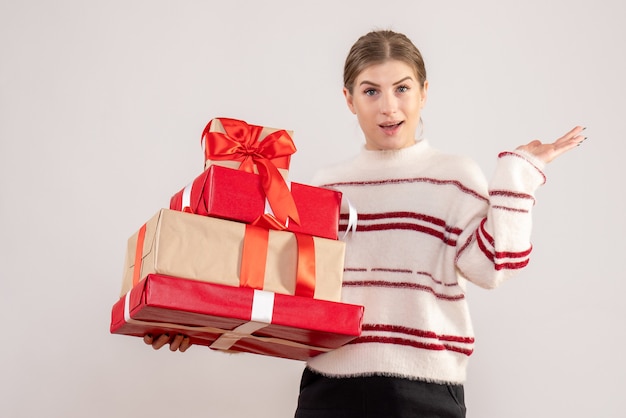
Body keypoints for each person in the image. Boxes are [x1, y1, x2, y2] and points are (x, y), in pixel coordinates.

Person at [145, 29, 586, 417]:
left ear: (424, 92)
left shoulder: (454, 177)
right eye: (371, 91)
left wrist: (519, 174)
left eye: (402, 88)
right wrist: (191, 322)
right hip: (328, 390)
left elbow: (492, 267)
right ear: (349, 99)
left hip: (424, 394)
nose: (388, 107)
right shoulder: (326, 186)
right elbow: (279, 288)